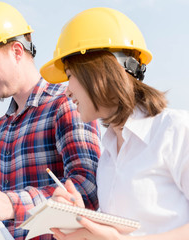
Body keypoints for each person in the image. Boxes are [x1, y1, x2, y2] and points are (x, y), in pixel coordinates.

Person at [0, 2, 101, 240]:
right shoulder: (0, 129)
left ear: (16, 51)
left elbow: (87, 188)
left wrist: (10, 204)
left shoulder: (65, 104)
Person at [40, 7, 189, 239]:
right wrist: (83, 219)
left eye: (70, 75)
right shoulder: (108, 154)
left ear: (99, 70)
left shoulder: (177, 130)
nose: (67, 91)